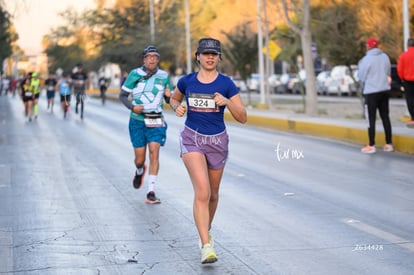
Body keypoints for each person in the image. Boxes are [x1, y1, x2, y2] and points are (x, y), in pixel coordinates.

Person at [169, 38, 247, 264]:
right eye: (205, 54)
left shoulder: (227, 84)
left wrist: (227, 102)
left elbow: (242, 117)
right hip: (192, 138)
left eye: (214, 54)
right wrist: (178, 106)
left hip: (218, 141)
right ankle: (206, 245)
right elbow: (174, 98)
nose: (210, 57)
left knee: (213, 194)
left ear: (219, 58)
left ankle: (206, 229)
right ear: (198, 57)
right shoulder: (187, 82)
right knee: (202, 192)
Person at [119, 45, 173, 204]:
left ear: (158, 59)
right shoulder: (135, 74)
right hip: (137, 121)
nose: (152, 59)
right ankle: (140, 170)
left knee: (154, 153)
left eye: (155, 57)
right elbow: (122, 96)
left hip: (156, 120)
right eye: (149, 56)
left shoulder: (164, 76)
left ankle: (151, 191)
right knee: (140, 159)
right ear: (144, 59)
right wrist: (132, 107)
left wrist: (169, 97)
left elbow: (169, 99)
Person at [358, 38, 393, 154]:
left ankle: (371, 145)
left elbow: (361, 77)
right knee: (385, 117)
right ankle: (389, 144)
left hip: (371, 92)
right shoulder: (385, 57)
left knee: (371, 119)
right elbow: (388, 72)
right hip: (384, 91)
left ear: (368, 47)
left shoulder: (366, 60)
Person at [397, 38, 414, 128]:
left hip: (408, 80)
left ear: (407, 45)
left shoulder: (403, 56)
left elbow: (399, 69)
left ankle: (413, 118)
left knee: (410, 99)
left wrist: (402, 78)